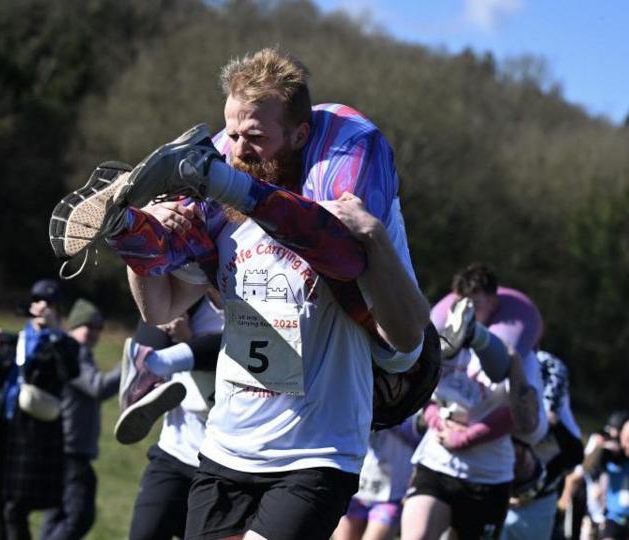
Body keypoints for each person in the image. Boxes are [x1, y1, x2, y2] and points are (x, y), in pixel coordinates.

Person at [51, 48, 430, 540]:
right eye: (231, 135)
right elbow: (160, 308)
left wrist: (374, 236)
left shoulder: (350, 211)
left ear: (299, 135)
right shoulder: (220, 216)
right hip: (226, 445)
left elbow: (406, 338)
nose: (238, 149)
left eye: (255, 137)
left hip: (315, 454)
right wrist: (140, 237)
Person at [402, 263, 547, 540]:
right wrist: (436, 421)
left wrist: (465, 438)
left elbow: (522, 420)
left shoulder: (519, 353)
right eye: (461, 303)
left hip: (487, 477)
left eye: (475, 304)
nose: (467, 310)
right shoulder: (444, 339)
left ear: (493, 303)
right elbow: (421, 390)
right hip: (437, 463)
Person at [0, 279, 81, 540]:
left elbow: (69, 374)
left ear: (59, 310)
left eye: (50, 304)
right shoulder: (16, 341)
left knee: (15, 508)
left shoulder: (65, 345)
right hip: (4, 427)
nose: (43, 307)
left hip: (35, 435)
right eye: (38, 301)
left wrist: (55, 333)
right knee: (0, 504)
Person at [129, 292, 223, 540]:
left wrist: (187, 341)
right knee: (144, 535)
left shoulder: (251, 315)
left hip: (223, 464)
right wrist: (163, 325)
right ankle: (146, 380)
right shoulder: (188, 304)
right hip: (175, 451)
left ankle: (156, 368)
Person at [40, 298, 120, 540]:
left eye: (98, 329)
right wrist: (131, 362)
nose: (94, 333)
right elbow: (98, 387)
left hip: (63, 447)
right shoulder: (72, 352)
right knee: (78, 516)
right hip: (70, 450)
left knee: (57, 514)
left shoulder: (73, 351)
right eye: (89, 326)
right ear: (74, 325)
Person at [502, 351, 584, 540]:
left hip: (537, 502)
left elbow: (571, 454)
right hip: (496, 487)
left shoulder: (549, 365)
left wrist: (531, 491)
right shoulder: (502, 353)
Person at [332, 418, 422, 540]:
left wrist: (391, 418)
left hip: (390, 496)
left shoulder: (415, 411)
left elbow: (421, 436)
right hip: (355, 492)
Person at [583, 418, 629, 540]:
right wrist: (600, 448)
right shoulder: (612, 455)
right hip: (613, 519)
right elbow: (588, 466)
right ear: (622, 436)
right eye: (628, 440)